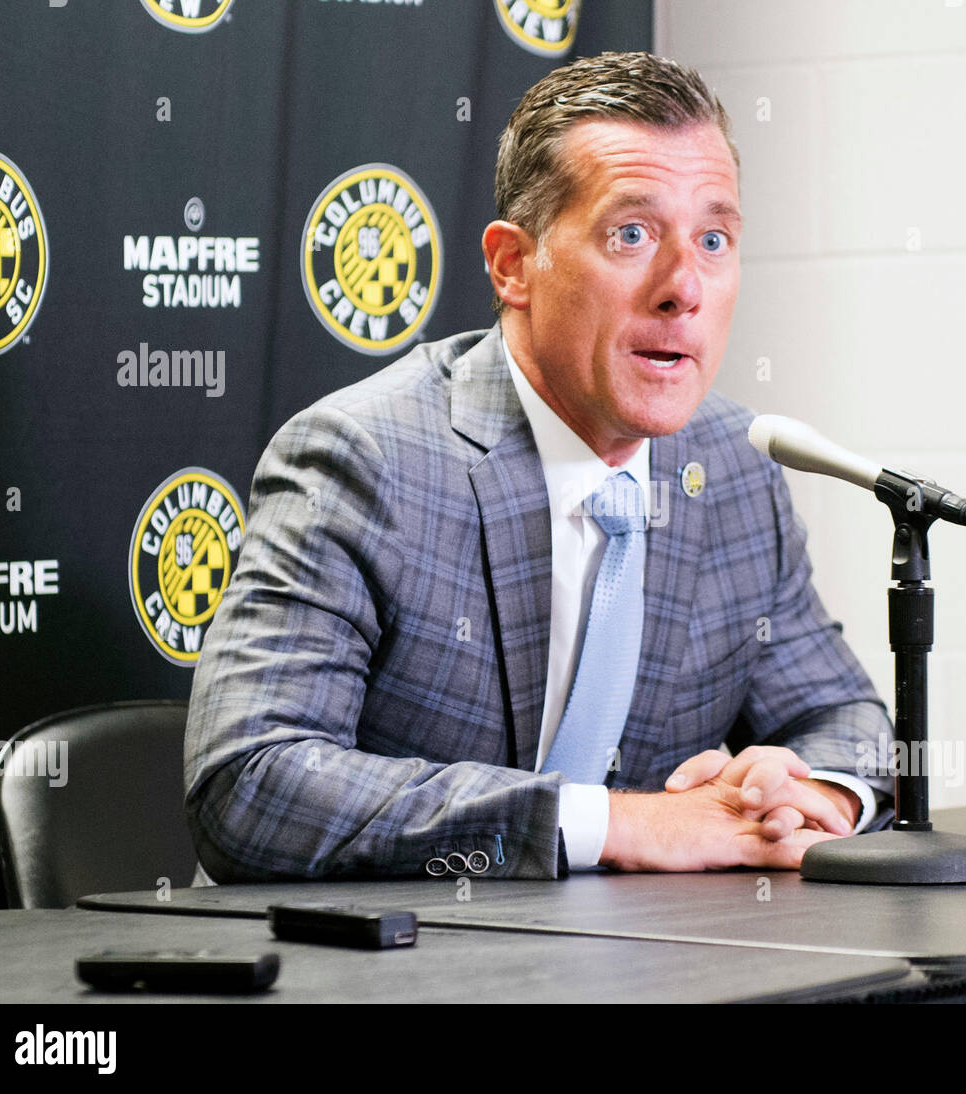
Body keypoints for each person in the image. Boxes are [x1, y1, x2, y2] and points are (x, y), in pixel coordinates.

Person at [184, 51, 893, 881]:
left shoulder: (734, 470)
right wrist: (619, 826)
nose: (684, 288)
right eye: (631, 234)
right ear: (513, 266)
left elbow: (844, 716)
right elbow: (251, 784)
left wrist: (806, 793)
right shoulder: (367, 460)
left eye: (713, 238)